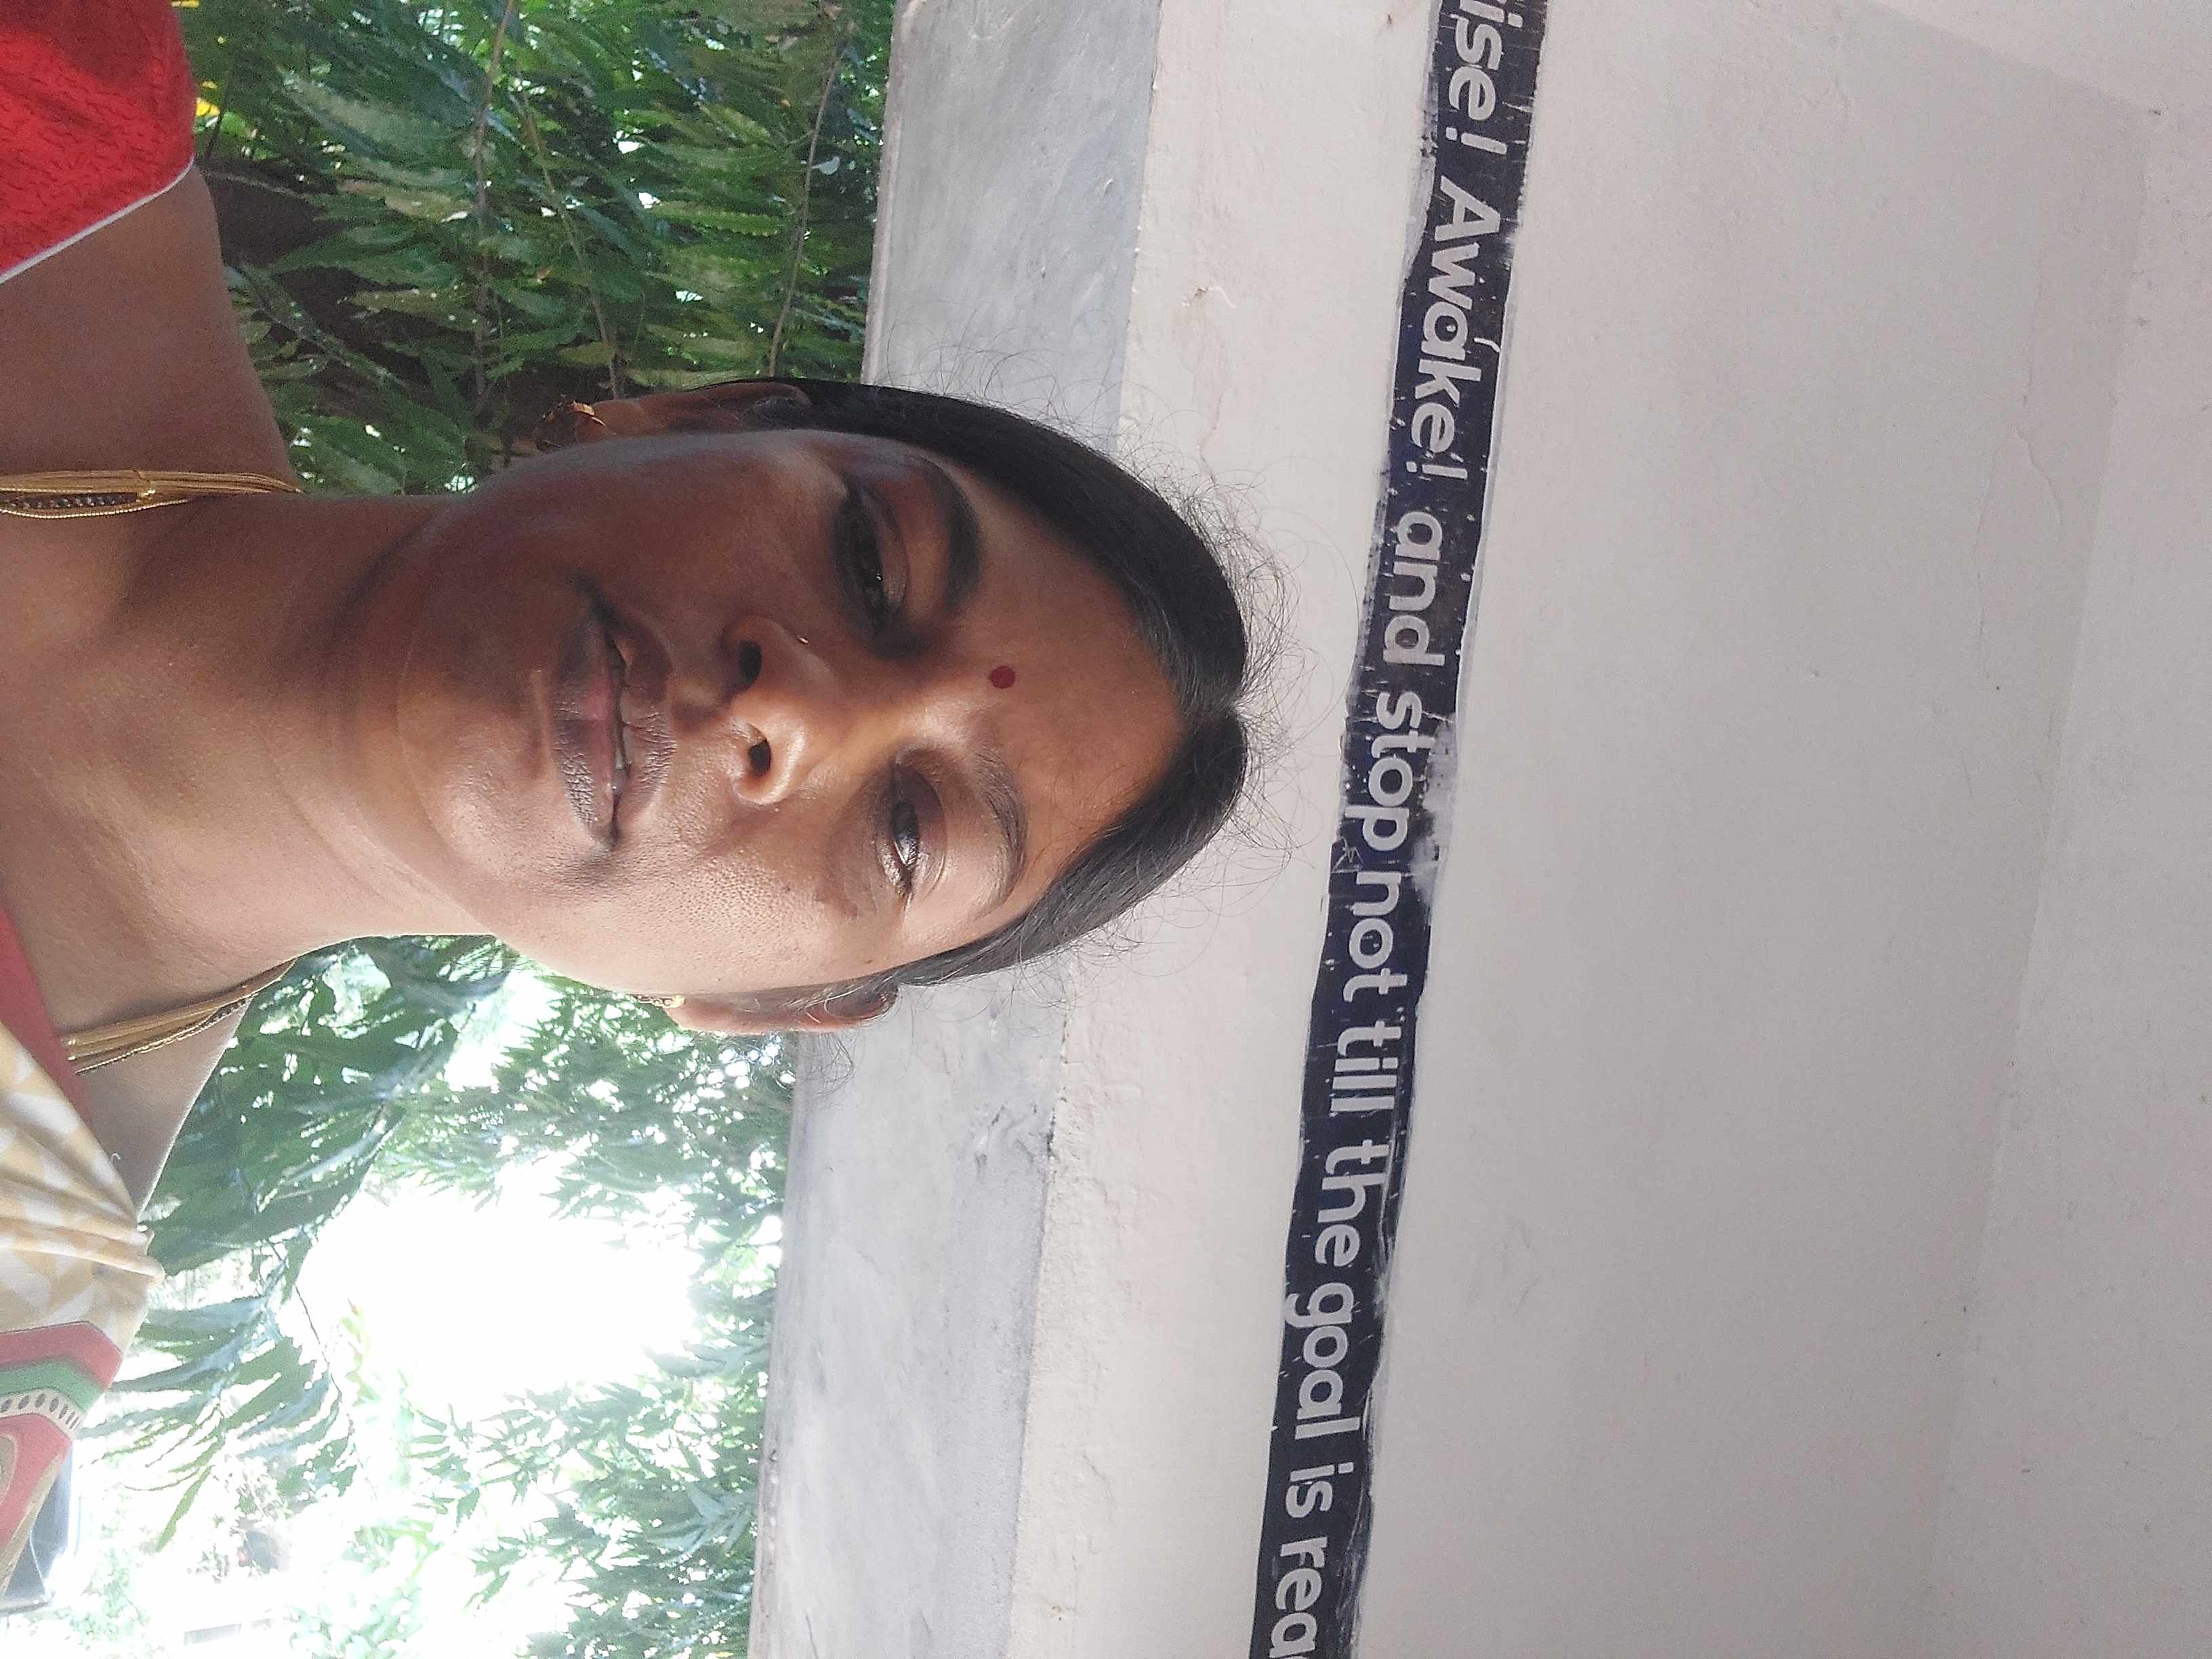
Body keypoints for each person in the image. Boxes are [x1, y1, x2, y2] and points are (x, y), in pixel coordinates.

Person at [0, 0, 1250, 1585]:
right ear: (690, 416)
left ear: (770, 1004)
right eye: (870, 560)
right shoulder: (49, 79)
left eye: (906, 830)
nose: (794, 710)